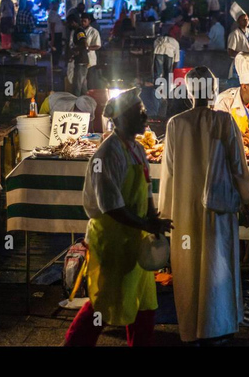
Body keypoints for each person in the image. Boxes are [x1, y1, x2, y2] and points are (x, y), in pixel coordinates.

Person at [64, 89, 172, 346]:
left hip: (135, 237)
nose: (145, 116)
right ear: (121, 119)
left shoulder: (136, 149)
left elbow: (145, 188)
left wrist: (153, 219)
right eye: (139, 112)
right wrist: (145, 223)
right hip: (112, 241)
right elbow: (111, 206)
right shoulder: (107, 154)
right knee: (101, 305)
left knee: (145, 303)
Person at [158, 66, 249, 345]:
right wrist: (246, 203)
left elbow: (169, 174)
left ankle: (191, 328)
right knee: (219, 265)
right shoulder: (224, 121)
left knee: (189, 268)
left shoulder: (176, 124)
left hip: (185, 212)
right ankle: (219, 326)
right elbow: (239, 166)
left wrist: (166, 214)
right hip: (218, 211)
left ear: (189, 92)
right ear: (213, 90)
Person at [226, 3, 249, 79]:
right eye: (243, 20)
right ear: (238, 22)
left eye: (247, 19)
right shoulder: (234, 34)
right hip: (239, 65)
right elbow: (230, 52)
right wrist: (247, 54)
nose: (246, 21)